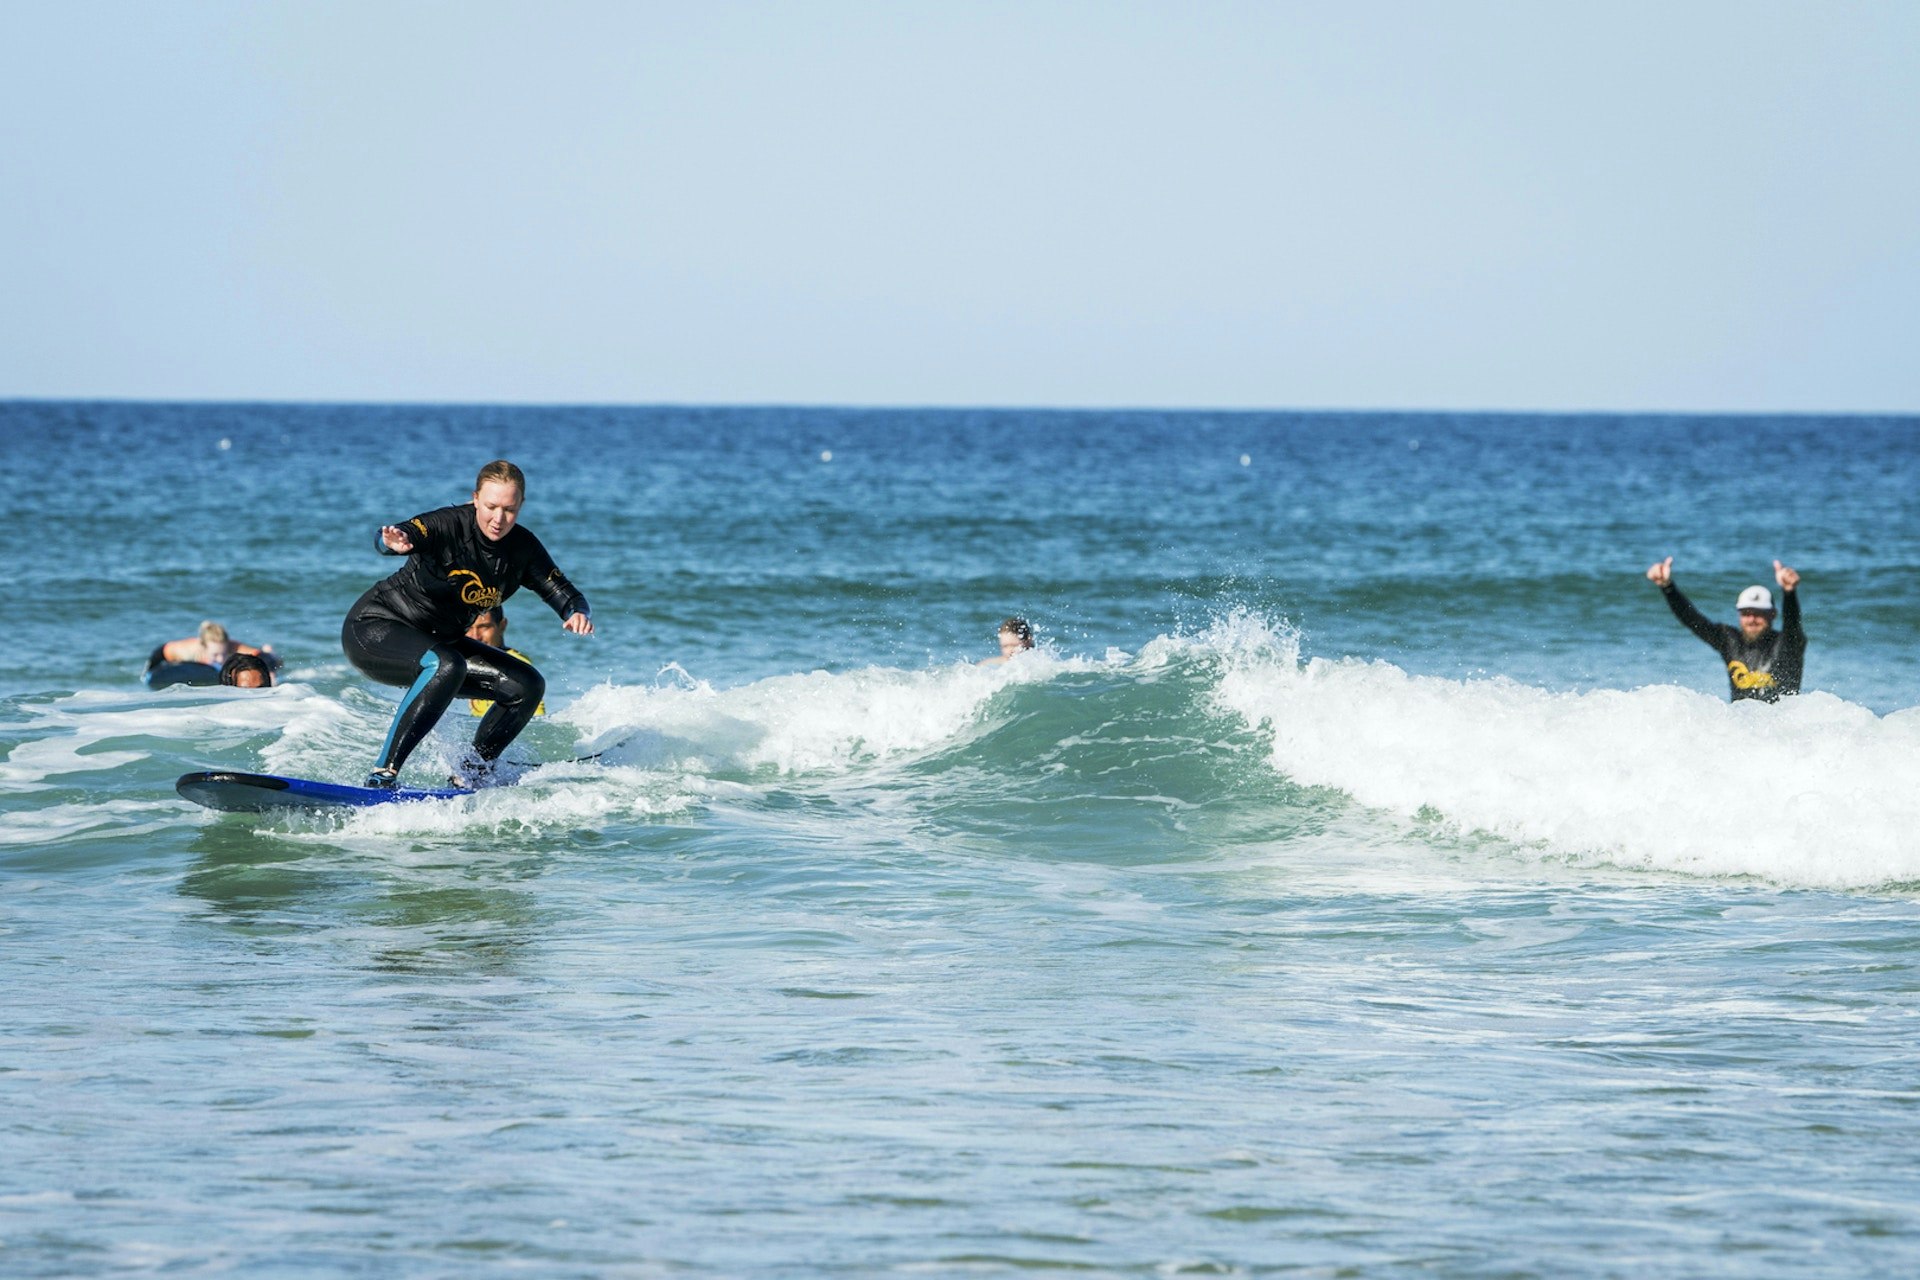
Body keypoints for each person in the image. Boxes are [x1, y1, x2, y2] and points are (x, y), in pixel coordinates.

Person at [341, 460, 592, 789]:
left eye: (509, 509)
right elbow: (400, 533)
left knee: (526, 685)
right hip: (377, 627)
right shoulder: (449, 525)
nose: (498, 518)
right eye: (491, 507)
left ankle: (471, 773)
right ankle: (383, 774)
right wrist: (392, 543)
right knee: (446, 664)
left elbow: (563, 591)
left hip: (440, 643)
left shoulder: (523, 548)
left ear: (521, 505)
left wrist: (575, 612)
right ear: (475, 498)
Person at [1646, 557, 1805, 702]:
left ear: (1773, 614)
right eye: (1746, 613)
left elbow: (1792, 624)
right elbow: (1693, 620)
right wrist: (1667, 587)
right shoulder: (1730, 641)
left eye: (1759, 613)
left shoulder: (1788, 644)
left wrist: (1789, 593)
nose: (1752, 619)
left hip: (1782, 722)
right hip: (1740, 722)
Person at [464, 607, 544, 718]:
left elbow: (535, 715)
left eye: (484, 627)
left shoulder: (516, 663)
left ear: (502, 625)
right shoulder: (471, 660)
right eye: (469, 628)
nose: (475, 636)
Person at [154, 621, 270, 669]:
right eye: (215, 654)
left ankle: (269, 649)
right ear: (203, 647)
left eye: (223, 653)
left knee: (268, 653)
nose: (220, 659)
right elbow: (159, 654)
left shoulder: (232, 646)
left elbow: (262, 657)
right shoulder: (187, 650)